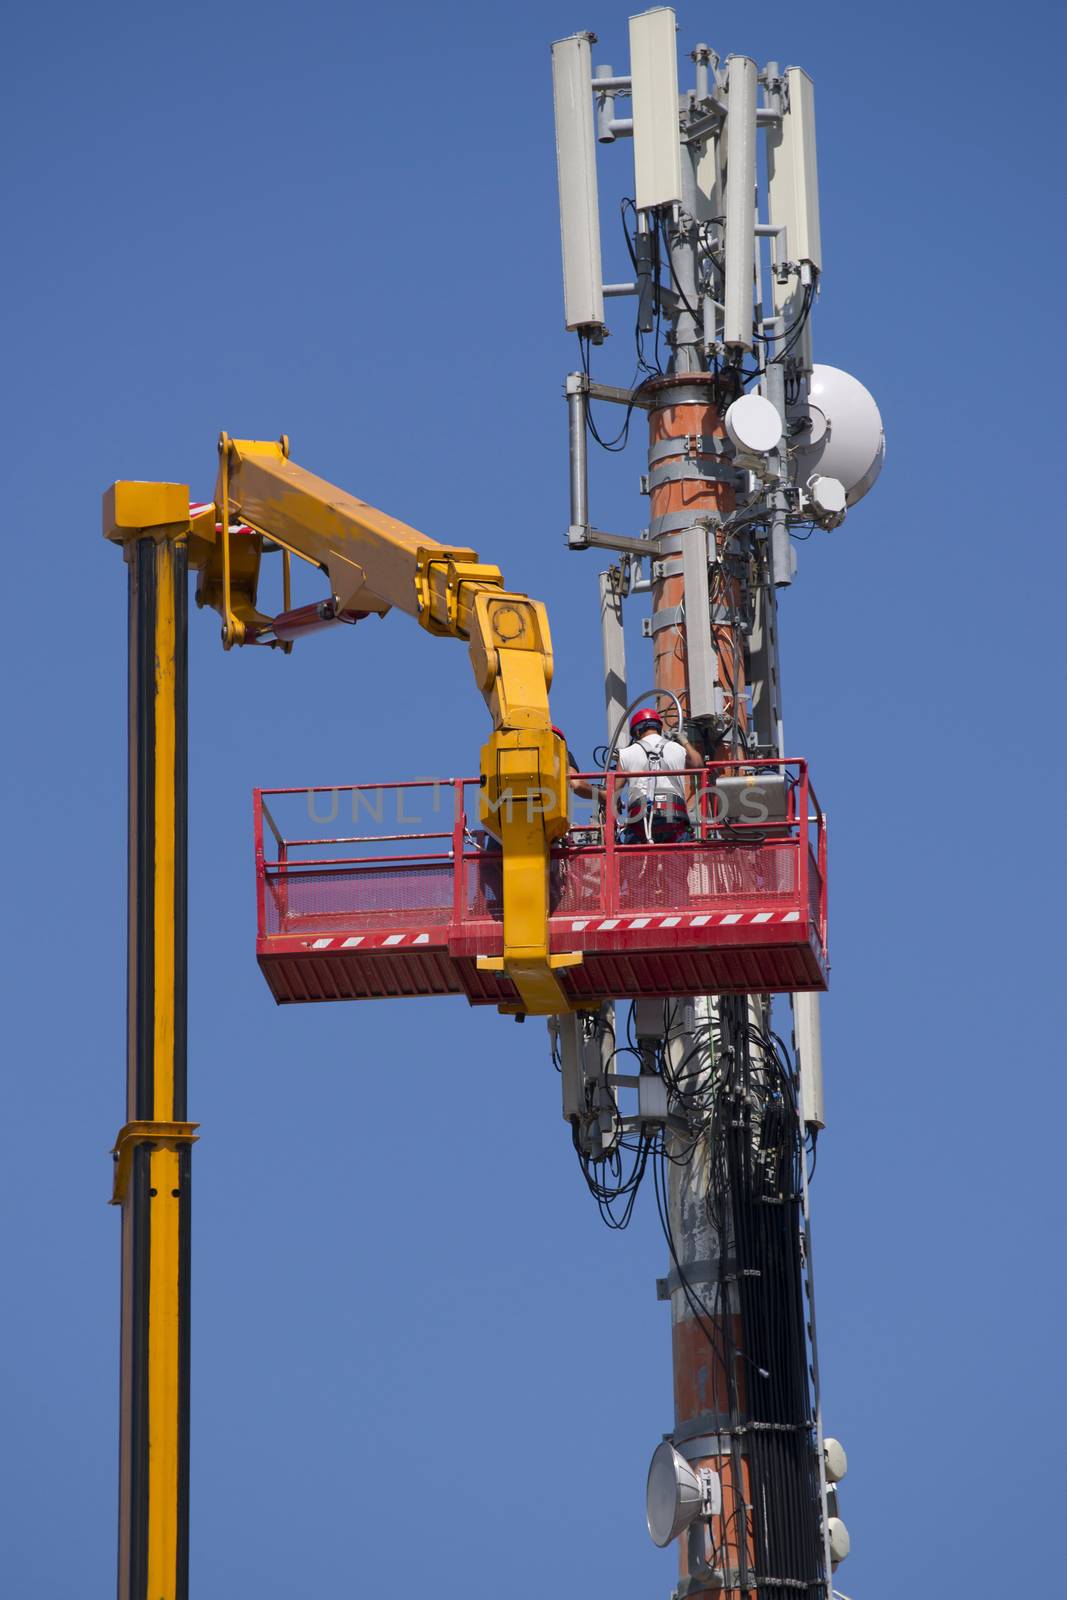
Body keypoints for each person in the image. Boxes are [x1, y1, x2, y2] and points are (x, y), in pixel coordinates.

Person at [616, 708, 703, 844]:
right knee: (678, 864)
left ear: (637, 732)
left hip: (639, 817)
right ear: (659, 728)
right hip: (674, 814)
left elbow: (614, 792)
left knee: (633, 862)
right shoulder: (678, 748)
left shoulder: (625, 753)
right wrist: (684, 741)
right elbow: (698, 764)